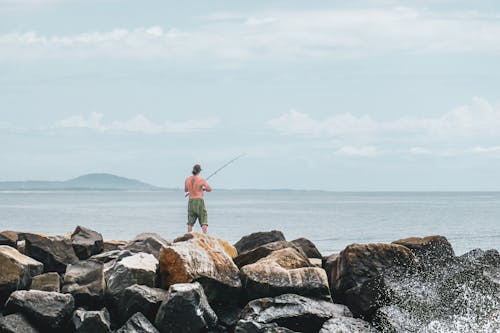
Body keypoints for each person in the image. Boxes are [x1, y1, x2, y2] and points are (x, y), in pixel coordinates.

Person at [184, 164, 212, 234]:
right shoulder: (201, 180)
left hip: (191, 201)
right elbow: (209, 189)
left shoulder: (187, 179)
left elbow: (186, 190)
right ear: (199, 171)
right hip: (199, 201)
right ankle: (205, 235)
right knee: (203, 218)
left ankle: (189, 235)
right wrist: (203, 189)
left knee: (190, 220)